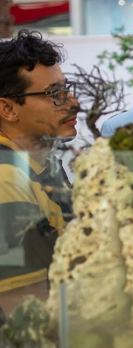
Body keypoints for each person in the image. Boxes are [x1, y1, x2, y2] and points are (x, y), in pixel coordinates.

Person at [0, 30, 78, 268]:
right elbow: (24, 291)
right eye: (54, 94)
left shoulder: (46, 165)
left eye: (67, 89)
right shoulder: (8, 176)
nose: (73, 103)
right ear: (8, 109)